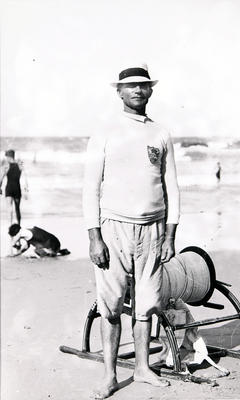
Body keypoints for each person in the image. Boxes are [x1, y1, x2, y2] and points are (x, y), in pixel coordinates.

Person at [83, 63, 180, 398]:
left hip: (153, 228)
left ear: (151, 90)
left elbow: (172, 187)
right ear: (119, 91)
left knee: (147, 305)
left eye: (144, 86)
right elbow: (90, 188)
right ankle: (109, 375)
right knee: (110, 306)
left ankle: (142, 368)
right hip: (113, 227)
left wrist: (170, 235)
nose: (138, 91)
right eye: (131, 86)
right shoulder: (105, 131)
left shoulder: (161, 132)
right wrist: (94, 236)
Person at [0, 149, 28, 225]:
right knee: (17, 209)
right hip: (17, 189)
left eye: (6, 157)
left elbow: (1, 178)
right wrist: (26, 189)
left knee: (9, 209)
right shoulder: (19, 165)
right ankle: (19, 225)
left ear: (9, 157)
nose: (6, 159)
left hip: (9, 189)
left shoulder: (6, 166)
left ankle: (10, 226)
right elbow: (25, 177)